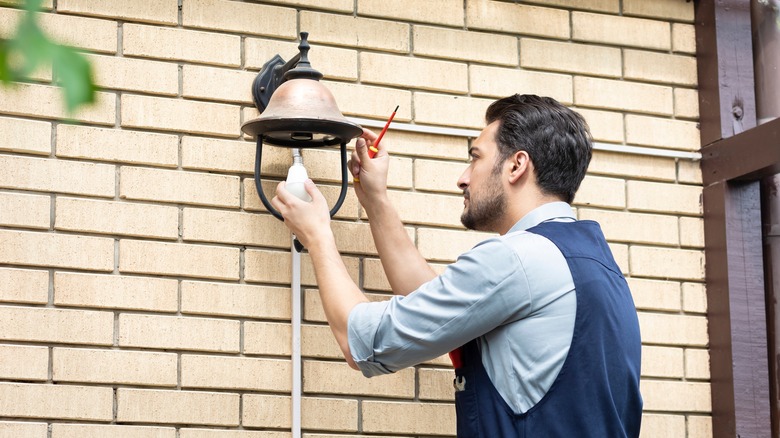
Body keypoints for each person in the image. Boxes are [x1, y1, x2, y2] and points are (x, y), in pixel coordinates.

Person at [270, 94, 643, 437]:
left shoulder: (517, 259)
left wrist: (318, 235)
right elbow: (434, 309)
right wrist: (375, 200)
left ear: (517, 165)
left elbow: (364, 343)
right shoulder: (596, 265)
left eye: (475, 157)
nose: (463, 178)